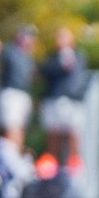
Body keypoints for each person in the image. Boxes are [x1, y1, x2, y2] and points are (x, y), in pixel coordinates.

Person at [38, 26, 89, 163]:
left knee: (72, 134)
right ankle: (51, 168)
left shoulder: (78, 55)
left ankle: (73, 167)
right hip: (54, 99)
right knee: (53, 135)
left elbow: (77, 76)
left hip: (71, 100)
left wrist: (75, 94)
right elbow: (44, 71)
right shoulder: (52, 57)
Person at [0, 24, 36, 145]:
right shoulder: (9, 50)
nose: (29, 38)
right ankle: (10, 158)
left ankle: (15, 158)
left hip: (23, 94)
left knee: (20, 128)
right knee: (11, 127)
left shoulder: (28, 56)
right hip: (11, 93)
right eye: (26, 34)